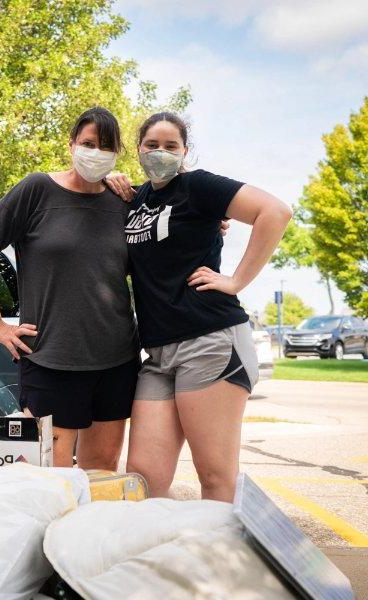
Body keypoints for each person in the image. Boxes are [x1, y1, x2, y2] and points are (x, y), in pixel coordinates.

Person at [105, 112, 292, 502]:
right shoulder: (136, 199)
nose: (160, 152)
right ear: (138, 150)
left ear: (184, 151)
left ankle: (217, 562)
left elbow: (275, 212)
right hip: (157, 354)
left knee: (214, 476)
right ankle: (160, 558)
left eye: (170, 146)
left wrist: (236, 280)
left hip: (210, 342)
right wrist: (111, 182)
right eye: (152, 145)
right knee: (143, 481)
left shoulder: (198, 186)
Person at [0, 107, 140, 469]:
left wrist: (213, 226)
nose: (95, 152)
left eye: (106, 146)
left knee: (100, 475)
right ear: (71, 143)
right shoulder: (37, 189)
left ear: (117, 153)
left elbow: (170, 228)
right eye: (88, 143)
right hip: (51, 358)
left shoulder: (123, 201)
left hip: (116, 361)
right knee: (53, 478)